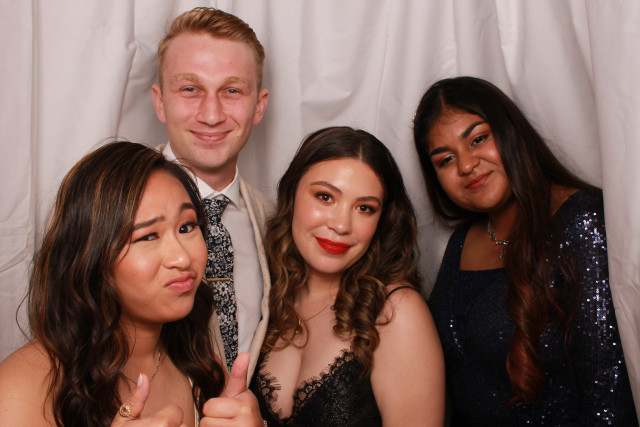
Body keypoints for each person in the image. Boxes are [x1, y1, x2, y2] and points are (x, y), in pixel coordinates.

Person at [413, 76, 638, 425]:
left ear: (510, 131)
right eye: (445, 159)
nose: (466, 165)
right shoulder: (461, 241)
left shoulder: (581, 219)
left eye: (478, 139)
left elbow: (607, 397)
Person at [0, 142, 262, 426]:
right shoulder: (20, 389)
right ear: (91, 255)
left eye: (186, 227)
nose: (182, 258)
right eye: (148, 236)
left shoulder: (198, 360)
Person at [249, 127, 445, 426]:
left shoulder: (396, 312)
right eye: (325, 197)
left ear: (382, 221)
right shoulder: (265, 292)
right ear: (292, 194)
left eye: (364, 208)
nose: (341, 225)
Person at [151, 7, 274, 380]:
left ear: (259, 106)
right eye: (190, 89)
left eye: (232, 91)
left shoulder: (274, 220)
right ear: (160, 101)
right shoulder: (108, 202)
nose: (211, 114)